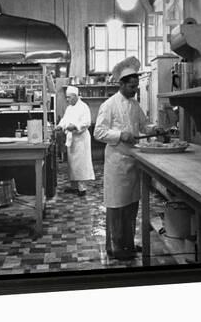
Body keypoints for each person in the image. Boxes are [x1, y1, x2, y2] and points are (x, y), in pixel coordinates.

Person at [94, 56, 164, 260]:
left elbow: (143, 125)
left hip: (133, 162)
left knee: (132, 205)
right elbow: (98, 132)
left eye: (136, 87)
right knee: (116, 206)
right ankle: (115, 248)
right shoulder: (109, 105)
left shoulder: (134, 104)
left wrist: (154, 128)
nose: (135, 90)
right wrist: (119, 135)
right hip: (116, 162)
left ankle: (128, 244)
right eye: (132, 87)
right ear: (122, 84)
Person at [56, 85, 95, 196]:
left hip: (81, 139)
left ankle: (82, 188)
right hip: (72, 140)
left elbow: (87, 122)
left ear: (75, 96)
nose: (67, 100)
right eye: (66, 97)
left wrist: (75, 126)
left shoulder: (83, 107)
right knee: (72, 164)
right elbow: (65, 120)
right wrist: (60, 126)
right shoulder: (69, 108)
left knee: (80, 164)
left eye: (69, 97)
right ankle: (74, 187)